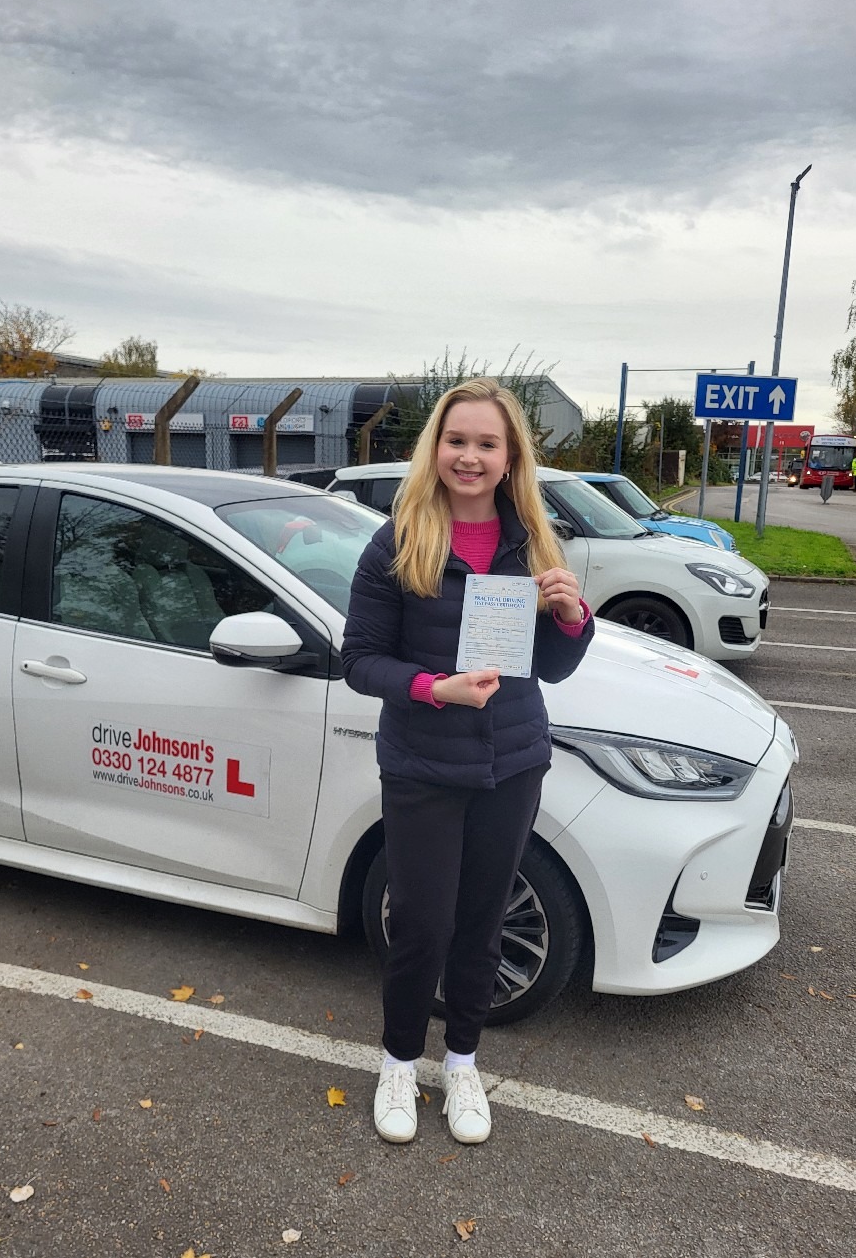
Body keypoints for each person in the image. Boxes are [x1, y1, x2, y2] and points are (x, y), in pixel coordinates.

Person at [341, 377, 594, 1145]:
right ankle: (397, 1062)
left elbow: (552, 668)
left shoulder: (534, 541)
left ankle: (462, 1062)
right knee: (422, 924)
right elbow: (360, 660)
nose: (470, 456)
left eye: (487, 443)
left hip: (511, 764)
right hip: (422, 764)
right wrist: (433, 688)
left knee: (483, 924)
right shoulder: (398, 540)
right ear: (436, 448)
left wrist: (572, 617)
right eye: (457, 440)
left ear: (511, 456)